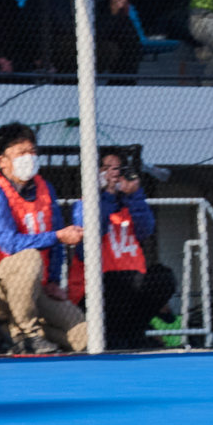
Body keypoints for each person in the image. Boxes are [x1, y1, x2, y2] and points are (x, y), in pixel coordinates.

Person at [0, 122, 87, 354]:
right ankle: (26, 334)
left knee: (85, 334)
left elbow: (57, 240)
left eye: (32, 152)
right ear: (2, 161)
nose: (28, 158)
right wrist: (58, 236)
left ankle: (24, 332)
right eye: (21, 153)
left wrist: (53, 280)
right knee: (29, 257)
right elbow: (9, 243)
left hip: (34, 287)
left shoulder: (45, 188)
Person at [64, 148, 159, 352]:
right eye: (107, 168)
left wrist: (133, 194)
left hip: (132, 283)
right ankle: (116, 339)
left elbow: (146, 230)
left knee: (162, 278)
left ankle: (134, 333)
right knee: (119, 282)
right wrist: (107, 195)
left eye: (117, 169)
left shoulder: (130, 204)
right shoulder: (83, 205)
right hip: (96, 287)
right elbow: (90, 235)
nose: (113, 174)